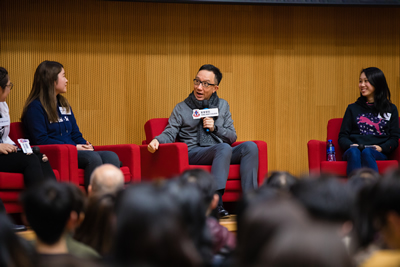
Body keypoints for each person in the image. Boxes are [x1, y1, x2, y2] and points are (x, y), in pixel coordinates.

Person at [147, 64, 259, 217]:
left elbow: (232, 137)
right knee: (224, 148)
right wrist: (157, 140)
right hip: (194, 152)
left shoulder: (223, 105)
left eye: (206, 84)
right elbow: (170, 131)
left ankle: (250, 203)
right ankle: (216, 202)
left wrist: (215, 128)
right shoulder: (181, 108)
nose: (199, 87)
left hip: (220, 151)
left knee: (250, 147)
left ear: (215, 88)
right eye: (197, 82)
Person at [21, 61, 120, 189]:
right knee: (93, 158)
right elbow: (40, 140)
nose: (67, 80)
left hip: (72, 150)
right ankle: (92, 202)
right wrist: (73, 147)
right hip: (55, 153)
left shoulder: (63, 104)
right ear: (52, 80)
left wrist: (85, 145)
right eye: (63, 76)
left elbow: (75, 134)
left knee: (111, 156)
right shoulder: (35, 108)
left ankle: (112, 201)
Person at [0, 66, 56, 214]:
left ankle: (56, 208)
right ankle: (38, 212)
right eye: (8, 86)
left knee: (39, 156)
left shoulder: (3, 106)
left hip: (4, 153)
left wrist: (20, 148)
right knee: (29, 160)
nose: (10, 89)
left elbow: (5, 136)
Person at [338, 67, 400, 176]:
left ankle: (372, 190)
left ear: (377, 83)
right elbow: (342, 136)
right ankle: (354, 190)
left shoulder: (391, 109)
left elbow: (394, 138)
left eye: (366, 81)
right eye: (360, 81)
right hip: (354, 150)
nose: (362, 85)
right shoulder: (352, 108)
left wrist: (381, 148)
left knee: (367, 152)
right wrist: (352, 145)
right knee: (354, 152)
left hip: (377, 152)